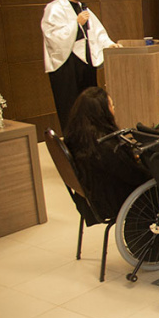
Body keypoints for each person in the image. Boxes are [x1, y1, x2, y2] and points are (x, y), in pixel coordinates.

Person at [41, 0, 120, 130]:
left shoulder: (84, 9)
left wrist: (109, 45)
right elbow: (52, 35)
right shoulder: (54, 8)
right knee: (70, 103)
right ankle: (73, 138)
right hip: (66, 63)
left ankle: (92, 134)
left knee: (90, 102)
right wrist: (75, 23)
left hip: (85, 62)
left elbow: (97, 33)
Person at [63, 87, 150, 223]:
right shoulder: (105, 146)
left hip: (90, 199)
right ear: (102, 113)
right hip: (111, 201)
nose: (114, 109)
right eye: (111, 105)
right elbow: (136, 177)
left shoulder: (76, 137)